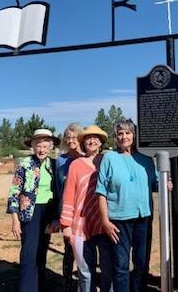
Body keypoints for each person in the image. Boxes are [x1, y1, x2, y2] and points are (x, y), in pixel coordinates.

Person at [96, 118, 158, 292]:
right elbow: (101, 192)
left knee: (141, 262)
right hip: (118, 221)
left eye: (128, 133)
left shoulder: (145, 159)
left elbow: (155, 183)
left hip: (143, 218)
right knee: (121, 265)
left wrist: (165, 184)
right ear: (116, 137)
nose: (124, 137)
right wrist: (105, 221)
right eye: (120, 133)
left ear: (134, 135)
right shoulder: (109, 158)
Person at [60, 124, 112, 292]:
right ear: (83, 142)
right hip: (81, 224)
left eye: (95, 138)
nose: (91, 141)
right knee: (85, 272)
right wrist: (66, 225)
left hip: (105, 223)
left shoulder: (108, 161)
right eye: (88, 138)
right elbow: (68, 195)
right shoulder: (76, 165)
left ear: (101, 141)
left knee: (108, 270)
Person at [7, 128, 60, 292]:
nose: (42, 150)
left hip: (48, 212)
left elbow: (58, 190)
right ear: (33, 146)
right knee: (29, 253)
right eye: (38, 146)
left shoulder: (54, 164)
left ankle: (39, 286)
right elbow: (14, 192)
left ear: (50, 147)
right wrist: (15, 219)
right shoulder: (25, 164)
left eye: (45, 146)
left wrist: (57, 216)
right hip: (30, 213)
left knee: (42, 251)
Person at [56, 123, 84, 292]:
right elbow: (59, 189)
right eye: (68, 137)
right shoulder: (61, 160)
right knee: (69, 251)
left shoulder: (87, 157)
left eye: (74, 137)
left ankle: (85, 284)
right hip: (68, 213)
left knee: (86, 252)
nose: (71, 140)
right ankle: (67, 285)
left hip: (85, 213)